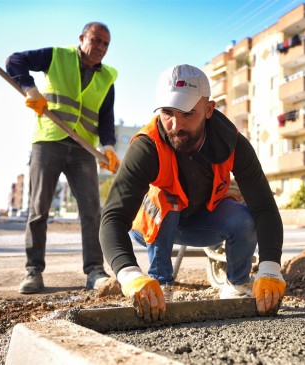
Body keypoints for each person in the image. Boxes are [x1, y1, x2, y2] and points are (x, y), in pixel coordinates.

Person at [99, 64, 285, 321]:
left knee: (245, 217)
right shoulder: (147, 146)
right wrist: (129, 274)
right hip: (150, 226)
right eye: (167, 113)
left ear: (209, 110)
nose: (176, 125)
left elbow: (265, 208)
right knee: (169, 199)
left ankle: (236, 285)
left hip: (200, 222)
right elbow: (113, 218)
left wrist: (270, 268)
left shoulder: (232, 143)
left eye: (187, 113)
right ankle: (160, 284)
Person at [6, 22, 120, 294]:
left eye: (106, 44)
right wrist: (29, 89)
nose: (101, 48)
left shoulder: (107, 77)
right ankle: (33, 271)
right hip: (49, 141)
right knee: (38, 209)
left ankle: (94, 271)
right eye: (96, 40)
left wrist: (109, 147)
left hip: (83, 149)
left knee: (92, 211)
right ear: (82, 38)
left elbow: (106, 118)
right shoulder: (57, 56)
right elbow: (14, 61)